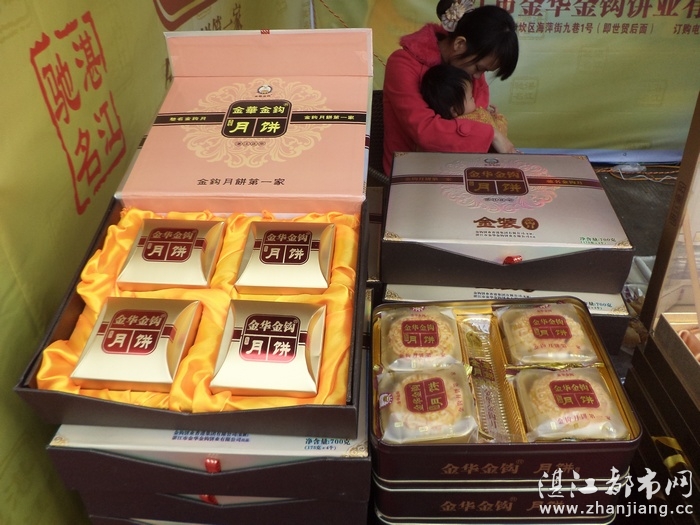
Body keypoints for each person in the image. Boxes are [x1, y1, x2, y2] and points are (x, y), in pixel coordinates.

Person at [382, 0, 519, 176]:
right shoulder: (403, 64)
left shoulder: (469, 68)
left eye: (485, 71)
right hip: (411, 174)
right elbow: (425, 131)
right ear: (459, 44)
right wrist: (491, 134)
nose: (479, 77)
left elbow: (475, 119)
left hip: (462, 169)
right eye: (479, 68)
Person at [419, 62, 509, 147]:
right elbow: (501, 132)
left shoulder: (444, 127)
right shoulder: (477, 120)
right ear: (455, 110)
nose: (473, 98)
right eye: (470, 97)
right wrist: (498, 117)